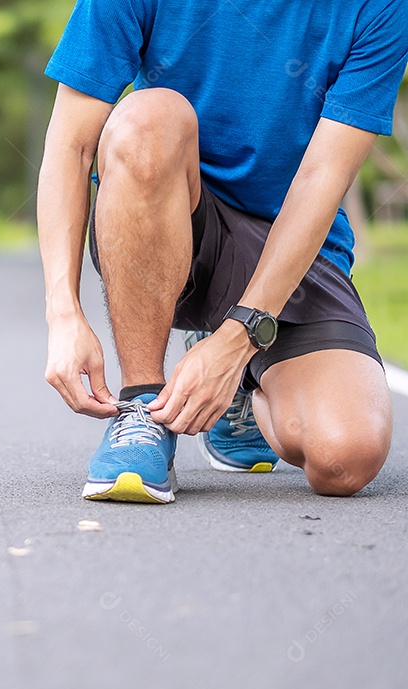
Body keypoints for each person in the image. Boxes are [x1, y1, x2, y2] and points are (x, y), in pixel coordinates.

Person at [37, 0, 408, 503]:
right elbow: (72, 144)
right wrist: (63, 312)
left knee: (346, 459)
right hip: (171, 215)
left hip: (291, 239)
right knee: (147, 117)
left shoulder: (381, 7)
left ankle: (241, 384)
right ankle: (143, 408)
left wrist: (238, 341)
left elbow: (322, 178)